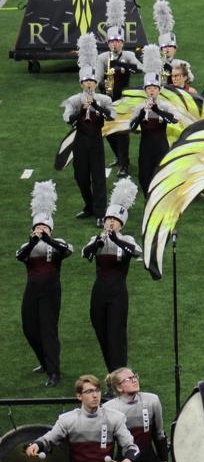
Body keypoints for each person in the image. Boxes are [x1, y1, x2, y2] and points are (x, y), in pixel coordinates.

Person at [83, 179, 141, 373]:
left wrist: (116, 239)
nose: (110, 223)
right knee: (102, 335)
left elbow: (136, 252)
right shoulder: (97, 239)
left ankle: (120, 375)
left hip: (117, 294)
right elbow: (86, 253)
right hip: (99, 293)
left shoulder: (127, 240)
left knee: (116, 337)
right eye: (109, 219)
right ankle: (113, 374)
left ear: (121, 224)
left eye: (114, 221)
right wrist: (98, 243)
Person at [18, 181, 71, 388]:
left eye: (43, 227)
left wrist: (47, 239)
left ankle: (54, 371)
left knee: (48, 330)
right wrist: (34, 241)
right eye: (37, 227)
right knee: (29, 328)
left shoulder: (57, 244)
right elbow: (20, 256)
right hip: (31, 291)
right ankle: (44, 362)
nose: (40, 230)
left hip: (51, 291)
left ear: (50, 228)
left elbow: (66, 251)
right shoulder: (27, 246)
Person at [64, 34, 112, 221]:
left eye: (92, 81)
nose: (89, 84)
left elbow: (111, 115)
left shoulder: (103, 99)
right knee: (81, 177)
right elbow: (68, 118)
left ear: (95, 83)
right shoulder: (75, 100)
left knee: (99, 177)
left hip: (96, 140)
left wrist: (96, 107)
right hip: (81, 140)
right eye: (86, 82)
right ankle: (89, 205)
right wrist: (82, 109)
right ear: (81, 83)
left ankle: (101, 213)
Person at [104, 368, 169, 462]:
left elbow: (159, 434)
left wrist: (163, 460)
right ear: (119, 388)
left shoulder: (152, 401)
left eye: (134, 376)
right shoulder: (109, 408)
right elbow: (108, 442)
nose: (134, 380)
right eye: (129, 379)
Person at [96, 1, 141, 179]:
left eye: (118, 41)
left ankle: (124, 164)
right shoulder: (102, 57)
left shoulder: (129, 55)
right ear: (108, 43)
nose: (115, 44)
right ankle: (118, 157)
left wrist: (123, 66)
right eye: (113, 41)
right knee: (108, 131)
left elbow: (140, 68)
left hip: (123, 99)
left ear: (122, 43)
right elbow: (98, 79)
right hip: (107, 98)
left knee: (122, 131)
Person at [128, 45, 178, 197]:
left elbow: (174, 120)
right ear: (145, 90)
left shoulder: (165, 106)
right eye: (149, 88)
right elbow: (132, 128)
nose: (151, 90)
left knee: (161, 176)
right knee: (144, 177)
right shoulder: (140, 107)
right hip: (145, 148)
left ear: (159, 90)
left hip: (161, 147)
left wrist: (156, 110)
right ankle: (148, 200)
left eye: (154, 88)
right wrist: (142, 113)